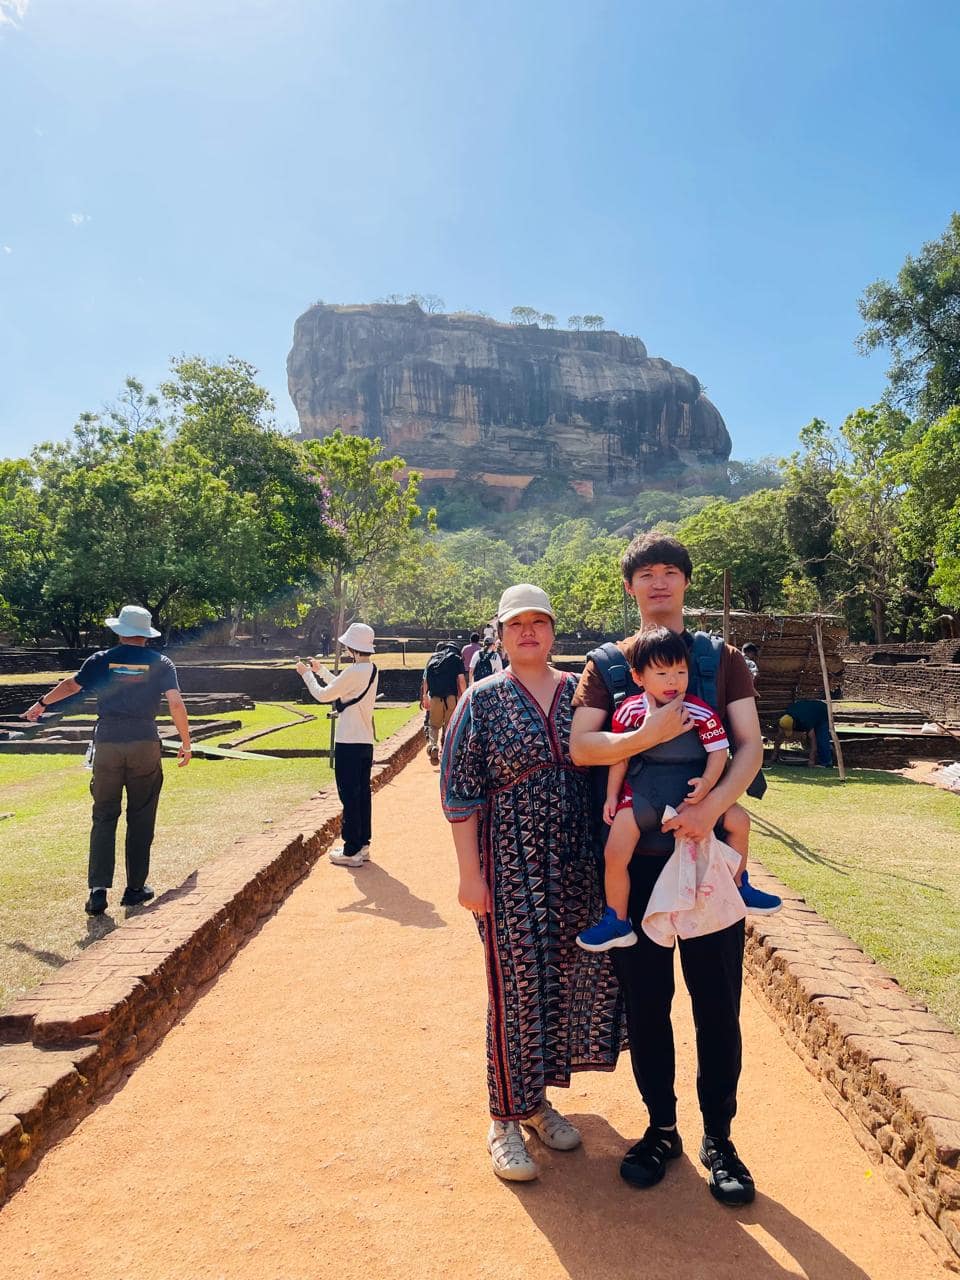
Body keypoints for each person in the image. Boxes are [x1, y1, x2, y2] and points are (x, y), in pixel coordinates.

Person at [570, 532, 763, 1207]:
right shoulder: (609, 666)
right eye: (645, 574)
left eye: (669, 573)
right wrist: (645, 736)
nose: (658, 584)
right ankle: (662, 1127)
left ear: (685, 582)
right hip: (643, 864)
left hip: (702, 860)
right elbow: (584, 747)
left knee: (718, 1006)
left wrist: (710, 808)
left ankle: (720, 1137)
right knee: (649, 1005)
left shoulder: (720, 660)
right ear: (630, 587)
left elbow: (749, 747)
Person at [441, 583, 623, 1183]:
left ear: (551, 631)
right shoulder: (483, 701)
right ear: (499, 634)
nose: (528, 633)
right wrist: (471, 875)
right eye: (516, 624)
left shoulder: (579, 692)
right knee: (515, 987)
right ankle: (503, 1119)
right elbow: (460, 794)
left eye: (538, 623)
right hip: (511, 864)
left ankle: (536, 1102)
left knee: (559, 983)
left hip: (574, 866)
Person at [576, 626, 768, 952]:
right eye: (662, 673)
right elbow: (618, 756)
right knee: (615, 853)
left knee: (740, 822)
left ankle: (739, 883)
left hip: (692, 798)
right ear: (639, 677)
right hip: (642, 799)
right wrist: (612, 795)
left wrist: (708, 786)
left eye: (680, 672)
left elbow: (718, 751)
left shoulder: (700, 711)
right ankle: (617, 919)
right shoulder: (629, 712)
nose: (672, 681)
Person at [22, 605, 192, 916]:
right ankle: (135, 888)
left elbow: (72, 685)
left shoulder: (101, 660)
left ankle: (97, 891)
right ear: (146, 634)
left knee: (104, 815)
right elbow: (176, 703)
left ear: (119, 631)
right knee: (141, 815)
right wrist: (185, 741)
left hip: (108, 742)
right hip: (144, 741)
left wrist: (41, 704)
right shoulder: (161, 663)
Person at [297, 622, 379, 867]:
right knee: (362, 795)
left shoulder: (353, 672)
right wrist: (321, 670)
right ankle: (362, 844)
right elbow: (343, 688)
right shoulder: (371, 669)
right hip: (364, 741)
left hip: (349, 742)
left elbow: (325, 695)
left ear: (353, 648)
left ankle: (351, 849)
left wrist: (306, 674)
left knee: (349, 796)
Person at [421, 641, 466, 765]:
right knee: (449, 726)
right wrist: (465, 696)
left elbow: (425, 679)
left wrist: (425, 696)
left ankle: (433, 746)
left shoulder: (433, 658)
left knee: (434, 726)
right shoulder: (456, 659)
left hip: (435, 697)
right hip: (451, 698)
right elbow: (461, 680)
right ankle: (446, 752)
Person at [773, 698, 833, 767]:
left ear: (794, 725)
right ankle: (825, 752)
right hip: (808, 711)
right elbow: (778, 738)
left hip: (821, 711)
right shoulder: (784, 720)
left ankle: (827, 763)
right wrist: (773, 757)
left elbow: (813, 740)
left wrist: (811, 760)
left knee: (821, 738)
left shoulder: (805, 721)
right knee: (814, 739)